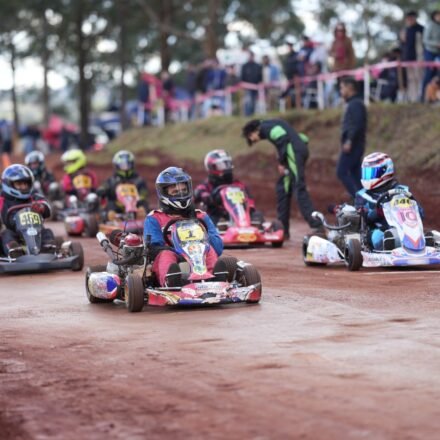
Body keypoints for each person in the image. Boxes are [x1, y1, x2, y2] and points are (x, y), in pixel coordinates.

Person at [143, 167, 225, 288]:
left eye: (183, 190)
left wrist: (199, 226)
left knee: (210, 250)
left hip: (199, 255)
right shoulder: (155, 218)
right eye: (175, 192)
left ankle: (215, 279)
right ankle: (171, 281)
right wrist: (179, 250)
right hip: (174, 258)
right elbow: (153, 249)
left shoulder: (201, 215)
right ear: (163, 193)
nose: (180, 194)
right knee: (165, 255)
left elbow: (218, 247)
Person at [241, 119, 321, 238]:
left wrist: (282, 163)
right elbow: (299, 137)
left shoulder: (266, 128)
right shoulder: (270, 124)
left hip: (294, 153)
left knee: (299, 189)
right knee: (282, 189)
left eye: (251, 137)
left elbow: (282, 138)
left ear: (253, 131)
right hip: (295, 152)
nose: (253, 140)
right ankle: (283, 229)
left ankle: (317, 225)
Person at [355, 152, 420, 251]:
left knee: (430, 234)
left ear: (385, 171)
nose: (368, 177)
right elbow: (362, 219)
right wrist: (377, 212)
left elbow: (420, 213)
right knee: (379, 236)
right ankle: (391, 244)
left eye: (371, 173)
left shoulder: (403, 190)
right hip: (378, 229)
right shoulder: (362, 195)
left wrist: (414, 209)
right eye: (366, 173)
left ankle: (422, 242)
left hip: (405, 227)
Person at [0, 164, 53, 258]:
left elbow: (46, 206)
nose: (23, 187)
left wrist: (41, 207)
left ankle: (47, 249)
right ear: (8, 184)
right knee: (6, 234)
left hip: (36, 232)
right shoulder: (3, 200)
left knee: (47, 232)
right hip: (14, 233)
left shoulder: (34, 196)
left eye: (25, 184)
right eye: (19, 184)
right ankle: (14, 250)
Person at [194, 149, 257, 225]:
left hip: (238, 214)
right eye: (222, 165)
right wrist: (211, 198)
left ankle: (251, 227)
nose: (226, 168)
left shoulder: (238, 185)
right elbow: (198, 194)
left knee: (256, 216)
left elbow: (249, 201)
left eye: (228, 164)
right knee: (209, 219)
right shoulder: (206, 185)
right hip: (216, 215)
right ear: (212, 167)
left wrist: (250, 207)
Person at [337, 76, 367, 199]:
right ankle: (364, 197)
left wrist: (349, 140)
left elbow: (357, 124)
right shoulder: (355, 103)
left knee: (341, 171)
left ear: (350, 88)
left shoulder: (355, 104)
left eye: (342, 88)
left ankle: (357, 197)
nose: (341, 91)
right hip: (357, 144)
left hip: (354, 144)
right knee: (355, 173)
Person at [98, 150, 149, 219]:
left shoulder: (138, 180)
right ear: (117, 166)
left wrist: (140, 203)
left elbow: (143, 192)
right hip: (118, 206)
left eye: (127, 165)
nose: (125, 167)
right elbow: (104, 187)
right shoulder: (112, 180)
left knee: (143, 204)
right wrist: (101, 190)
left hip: (135, 205)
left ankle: (143, 219)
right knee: (110, 204)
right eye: (123, 165)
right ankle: (112, 219)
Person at [400, 11, 424, 102]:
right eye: (408, 19)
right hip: (407, 58)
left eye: (411, 18)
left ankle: (420, 96)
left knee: (419, 77)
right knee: (411, 79)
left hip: (419, 58)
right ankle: (412, 97)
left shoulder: (421, 29)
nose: (409, 20)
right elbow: (402, 45)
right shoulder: (405, 30)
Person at [422, 10, 440, 101]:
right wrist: (436, 44)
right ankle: (423, 97)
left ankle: (436, 97)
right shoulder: (430, 25)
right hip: (430, 52)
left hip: (438, 53)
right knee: (428, 74)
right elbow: (425, 40)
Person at [240, 51, 263, 116]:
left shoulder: (257, 66)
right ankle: (247, 114)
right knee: (247, 101)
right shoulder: (244, 66)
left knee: (253, 101)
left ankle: (252, 114)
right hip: (247, 87)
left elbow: (260, 77)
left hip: (255, 87)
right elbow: (242, 77)